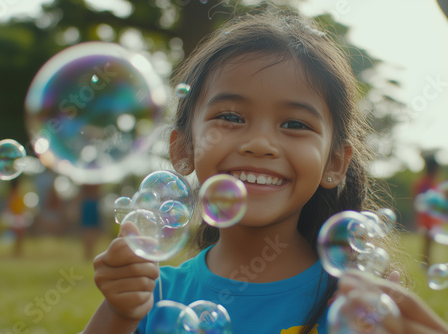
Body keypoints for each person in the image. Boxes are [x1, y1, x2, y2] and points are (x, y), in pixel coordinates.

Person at [84, 9, 448, 334]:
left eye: (294, 124)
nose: (260, 144)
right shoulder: (152, 293)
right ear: (183, 148)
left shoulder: (357, 305)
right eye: (230, 117)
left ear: (335, 163)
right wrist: (118, 314)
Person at [413, 155, 444, 267]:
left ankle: (426, 263)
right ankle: (425, 263)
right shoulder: (425, 183)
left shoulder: (432, 182)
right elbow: (421, 200)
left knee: (430, 243)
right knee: (427, 243)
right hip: (426, 218)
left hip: (432, 218)